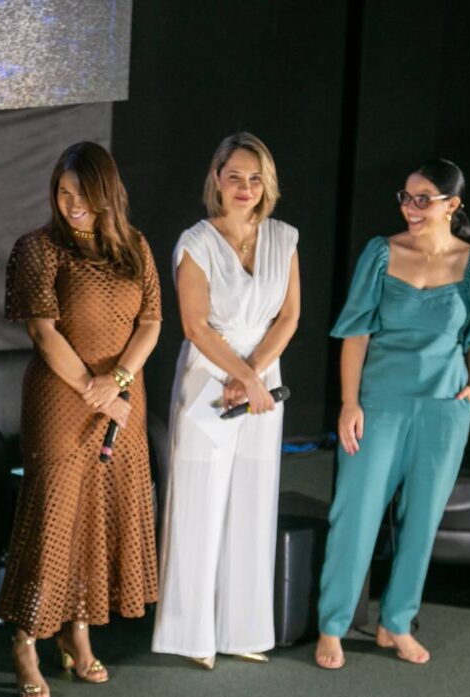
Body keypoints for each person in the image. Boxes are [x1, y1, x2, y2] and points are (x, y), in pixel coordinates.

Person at [314, 159, 470, 670]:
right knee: (355, 513)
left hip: (443, 410)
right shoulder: (381, 253)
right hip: (378, 404)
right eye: (405, 197)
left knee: (421, 520)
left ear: (452, 204)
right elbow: (355, 333)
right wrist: (349, 403)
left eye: (423, 199)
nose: (410, 208)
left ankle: (396, 622)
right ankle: (332, 625)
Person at [0, 141, 162, 697]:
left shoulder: (135, 246)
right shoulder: (39, 249)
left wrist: (117, 382)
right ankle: (26, 640)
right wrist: (96, 391)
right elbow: (43, 332)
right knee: (55, 519)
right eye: (63, 193)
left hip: (121, 398)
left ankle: (78, 631)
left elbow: (150, 323)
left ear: (107, 193)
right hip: (61, 401)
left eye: (83, 194)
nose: (71, 205)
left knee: (99, 515)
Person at [151, 132, 301, 669]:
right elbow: (194, 325)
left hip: (260, 380)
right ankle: (191, 634)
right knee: (199, 500)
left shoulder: (284, 237)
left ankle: (242, 629)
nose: (245, 187)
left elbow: (289, 317)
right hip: (207, 380)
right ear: (217, 179)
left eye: (255, 178)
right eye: (234, 176)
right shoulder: (195, 242)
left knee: (252, 498)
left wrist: (253, 377)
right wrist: (240, 376)